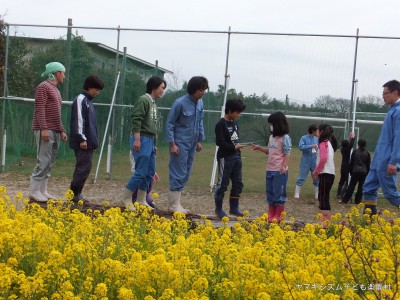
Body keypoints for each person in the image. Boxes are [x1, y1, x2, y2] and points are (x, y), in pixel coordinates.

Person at [121, 76, 166, 211]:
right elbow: (137, 118)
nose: (162, 91)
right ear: (154, 87)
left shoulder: (153, 103)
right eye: (161, 88)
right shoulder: (143, 100)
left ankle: (141, 199)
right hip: (142, 138)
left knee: (150, 172)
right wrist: (137, 139)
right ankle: (127, 197)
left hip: (150, 140)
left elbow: (153, 126)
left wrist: (155, 144)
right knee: (140, 171)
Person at [165, 76, 208, 213]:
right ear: (193, 89)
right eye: (201, 90)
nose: (203, 93)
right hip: (180, 144)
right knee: (178, 172)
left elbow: (200, 122)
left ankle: (177, 203)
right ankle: (173, 205)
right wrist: (172, 144)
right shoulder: (179, 103)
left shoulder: (200, 104)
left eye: (204, 90)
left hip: (192, 144)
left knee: (186, 172)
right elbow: (170, 124)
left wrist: (199, 140)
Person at [29, 62, 68, 202]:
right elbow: (40, 109)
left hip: (54, 130)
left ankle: (42, 190)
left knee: (50, 161)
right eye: (63, 72)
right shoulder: (43, 87)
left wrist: (61, 130)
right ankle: (34, 191)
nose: (64, 75)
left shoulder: (56, 90)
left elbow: (56, 113)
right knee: (43, 160)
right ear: (57, 73)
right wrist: (44, 128)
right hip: (44, 129)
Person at [362, 80, 400, 215]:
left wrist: (394, 162)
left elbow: (398, 140)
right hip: (378, 159)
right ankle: (368, 222)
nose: (383, 96)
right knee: (368, 188)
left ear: (395, 93)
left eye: (385, 93)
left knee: (389, 193)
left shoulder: (398, 112)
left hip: (388, 160)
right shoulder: (391, 111)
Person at [69, 75, 104, 203]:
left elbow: (92, 125)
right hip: (82, 142)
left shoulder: (89, 101)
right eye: (96, 89)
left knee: (86, 167)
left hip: (89, 143)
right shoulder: (81, 99)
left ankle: (78, 193)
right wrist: (82, 138)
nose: (97, 92)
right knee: (82, 167)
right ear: (89, 87)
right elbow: (79, 120)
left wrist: (94, 143)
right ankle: (73, 194)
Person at [252, 111, 291, 223]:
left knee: (279, 193)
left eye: (272, 124)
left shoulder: (285, 138)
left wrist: (283, 167)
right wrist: (259, 148)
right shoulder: (271, 138)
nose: (271, 126)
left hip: (279, 171)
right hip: (269, 170)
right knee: (270, 192)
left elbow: (287, 153)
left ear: (278, 124)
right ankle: (271, 213)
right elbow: (269, 151)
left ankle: (279, 215)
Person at [214, 99, 247, 219]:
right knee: (222, 184)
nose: (238, 115)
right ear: (230, 111)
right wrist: (233, 147)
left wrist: (237, 147)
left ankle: (234, 208)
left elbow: (235, 139)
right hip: (225, 157)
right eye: (237, 112)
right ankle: (218, 209)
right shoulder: (221, 124)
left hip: (237, 156)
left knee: (238, 183)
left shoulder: (235, 124)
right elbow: (220, 142)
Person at [312, 124, 338, 224]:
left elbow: (323, 159)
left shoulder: (323, 143)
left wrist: (316, 171)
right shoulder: (328, 143)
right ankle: (324, 220)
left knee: (323, 198)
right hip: (329, 173)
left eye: (318, 131)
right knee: (323, 196)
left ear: (322, 132)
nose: (316, 133)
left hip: (325, 173)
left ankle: (325, 222)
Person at [340, 139, 371, 204]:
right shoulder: (367, 153)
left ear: (358, 144)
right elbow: (368, 164)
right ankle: (357, 201)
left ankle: (345, 200)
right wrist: (367, 173)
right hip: (364, 172)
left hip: (355, 171)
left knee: (351, 186)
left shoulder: (355, 152)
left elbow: (351, 163)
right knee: (361, 187)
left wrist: (350, 171)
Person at [294, 123, 319, 199]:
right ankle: (297, 193)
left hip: (314, 160)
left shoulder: (317, 139)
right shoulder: (303, 138)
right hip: (305, 160)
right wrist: (310, 146)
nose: (317, 131)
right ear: (312, 130)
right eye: (316, 130)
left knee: (316, 177)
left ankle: (317, 194)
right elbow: (301, 147)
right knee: (302, 176)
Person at [336, 132, 355, 199]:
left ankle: (338, 194)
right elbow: (351, 144)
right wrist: (353, 137)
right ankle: (342, 194)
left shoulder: (343, 149)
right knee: (347, 181)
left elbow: (348, 144)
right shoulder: (347, 149)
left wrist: (349, 138)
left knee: (342, 180)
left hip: (343, 166)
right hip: (347, 167)